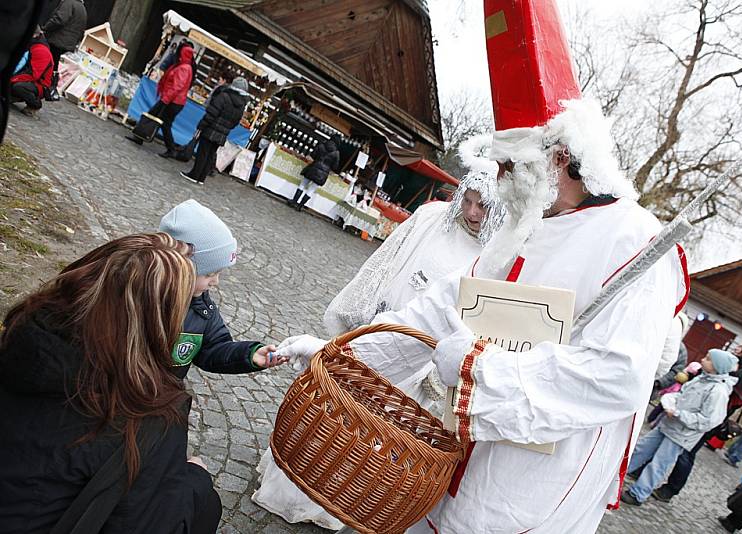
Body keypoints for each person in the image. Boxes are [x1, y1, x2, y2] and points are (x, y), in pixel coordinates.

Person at [273, 2, 689, 528]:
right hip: (461, 444)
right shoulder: (528, 222)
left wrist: (478, 370)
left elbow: (616, 374)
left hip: (531, 477)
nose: (503, 178)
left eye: (512, 165)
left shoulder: (636, 242)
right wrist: (343, 358)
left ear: (559, 159)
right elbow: (443, 308)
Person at [252, 167, 506, 529]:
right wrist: (357, 321)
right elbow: (386, 262)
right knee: (335, 416)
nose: (472, 213)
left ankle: (333, 498)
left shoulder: (494, 258)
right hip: (380, 334)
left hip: (420, 364)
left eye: (483, 206)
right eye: (467, 201)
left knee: (369, 435)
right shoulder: (432, 217)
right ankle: (297, 482)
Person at [0, 233, 222, 532]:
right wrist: (197, 480)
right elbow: (157, 523)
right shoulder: (147, 419)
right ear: (159, 322)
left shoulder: (20, 340)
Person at [158, 199, 285, 375]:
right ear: (179, 267)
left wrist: (250, 354)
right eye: (209, 274)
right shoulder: (137, 298)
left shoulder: (200, 308)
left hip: (164, 396)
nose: (215, 281)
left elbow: (213, 347)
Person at [648, 340, 742, 502]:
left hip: (710, 416)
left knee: (687, 453)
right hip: (691, 407)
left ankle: (670, 489)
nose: (738, 347)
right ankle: (641, 471)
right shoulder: (727, 359)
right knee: (661, 438)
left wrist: (733, 374)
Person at [620, 349, 739, 505]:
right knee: (641, 449)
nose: (703, 359)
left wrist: (679, 414)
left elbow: (709, 420)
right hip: (668, 425)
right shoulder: (701, 379)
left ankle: (638, 494)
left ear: (718, 366)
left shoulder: (718, 391)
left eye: (708, 359)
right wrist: (671, 401)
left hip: (681, 434)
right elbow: (682, 396)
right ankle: (618, 476)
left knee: (658, 464)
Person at [128, 44, 194, 158]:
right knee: (158, 119)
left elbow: (177, 87)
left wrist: (165, 100)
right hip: (173, 100)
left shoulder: (184, 68)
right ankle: (141, 137)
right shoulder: (185, 66)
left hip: (172, 101)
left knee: (159, 120)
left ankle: (167, 147)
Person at [180, 77, 249, 185]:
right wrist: (226, 128)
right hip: (222, 134)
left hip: (210, 129)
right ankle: (201, 178)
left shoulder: (223, 96)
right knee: (210, 155)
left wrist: (202, 125)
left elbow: (211, 113)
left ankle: (194, 175)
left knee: (202, 153)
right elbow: (236, 122)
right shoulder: (242, 105)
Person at [41, 0, 86, 99]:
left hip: (58, 39)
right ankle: (51, 88)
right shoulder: (82, 7)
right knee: (53, 62)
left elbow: (59, 19)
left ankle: (50, 88)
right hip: (67, 42)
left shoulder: (69, 3)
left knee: (49, 60)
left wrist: (45, 28)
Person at [289, 136, 339, 211]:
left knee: (302, 184)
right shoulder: (336, 153)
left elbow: (312, 155)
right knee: (311, 190)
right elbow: (335, 166)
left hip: (313, 167)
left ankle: (294, 201)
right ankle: (300, 206)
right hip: (323, 174)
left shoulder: (321, 145)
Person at [9, 32, 53, 116]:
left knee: (18, 87)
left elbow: (33, 75)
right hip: (27, 77)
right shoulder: (31, 46)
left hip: (40, 84)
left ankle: (35, 104)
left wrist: (11, 79)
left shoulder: (41, 50)